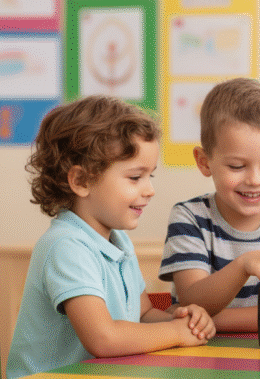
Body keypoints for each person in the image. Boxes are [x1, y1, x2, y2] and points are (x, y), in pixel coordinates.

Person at [7, 96, 215, 379]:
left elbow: (142, 315)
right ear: (81, 181)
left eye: (149, 175)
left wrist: (179, 319)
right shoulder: (66, 246)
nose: (150, 189)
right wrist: (175, 333)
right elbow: (103, 338)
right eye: (135, 177)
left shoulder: (117, 240)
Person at [159, 78, 260, 333]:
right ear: (204, 162)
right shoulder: (189, 217)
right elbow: (193, 299)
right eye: (236, 166)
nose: (254, 180)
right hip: (199, 357)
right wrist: (243, 265)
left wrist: (212, 320)